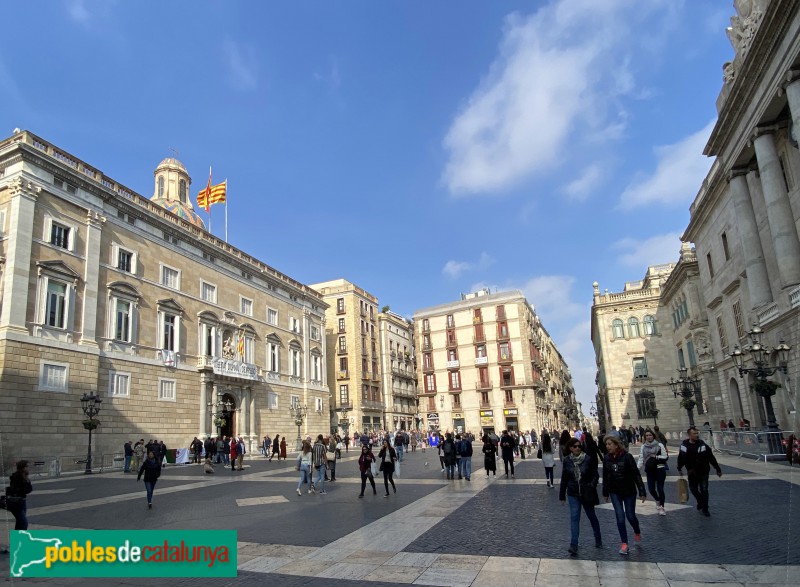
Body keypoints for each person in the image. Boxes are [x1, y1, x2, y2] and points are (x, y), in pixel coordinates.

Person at [603, 436, 645, 555]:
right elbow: (605, 477)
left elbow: (636, 474)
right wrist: (605, 493)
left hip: (628, 491)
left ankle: (637, 531)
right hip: (614, 491)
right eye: (606, 444)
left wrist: (642, 491)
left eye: (610, 444)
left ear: (616, 445)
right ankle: (624, 544)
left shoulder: (627, 457)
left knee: (630, 516)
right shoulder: (606, 458)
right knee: (620, 517)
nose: (608, 446)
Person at [559, 439, 602, 556]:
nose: (578, 448)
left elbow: (595, 474)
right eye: (575, 446)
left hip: (586, 492)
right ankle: (573, 544)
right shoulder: (567, 460)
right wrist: (562, 494)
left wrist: (591, 485)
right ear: (571, 448)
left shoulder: (587, 459)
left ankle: (598, 537)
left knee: (591, 516)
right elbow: (564, 478)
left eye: (579, 446)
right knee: (574, 517)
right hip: (573, 493)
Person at [677, 426, 722, 517]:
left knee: (704, 490)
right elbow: (681, 457)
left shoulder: (703, 445)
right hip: (691, 472)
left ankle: (705, 508)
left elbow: (711, 457)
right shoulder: (684, 445)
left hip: (703, 471)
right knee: (693, 489)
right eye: (694, 433)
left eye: (697, 433)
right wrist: (679, 467)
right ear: (689, 435)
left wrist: (717, 468)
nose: (697, 435)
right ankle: (700, 501)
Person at [637, 430, 669, 516]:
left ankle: (662, 507)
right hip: (650, 470)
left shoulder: (659, 445)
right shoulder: (643, 447)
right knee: (651, 489)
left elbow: (665, 457)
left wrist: (656, 456)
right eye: (647, 435)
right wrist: (637, 470)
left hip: (660, 469)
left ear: (653, 436)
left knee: (660, 489)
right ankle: (657, 500)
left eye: (650, 435)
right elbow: (641, 458)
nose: (648, 437)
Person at [6, 460, 33, 529]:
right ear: (22, 467)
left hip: (21, 501)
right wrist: (27, 482)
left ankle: (18, 538)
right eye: (26, 466)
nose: (27, 468)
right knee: (24, 522)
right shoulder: (17, 477)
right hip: (16, 503)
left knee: (20, 522)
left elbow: (29, 489)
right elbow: (25, 489)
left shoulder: (24, 477)